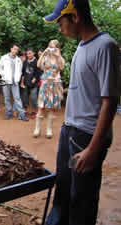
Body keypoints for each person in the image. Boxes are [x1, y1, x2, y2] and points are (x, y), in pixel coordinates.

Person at [43, 1, 120, 225]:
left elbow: (110, 100)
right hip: (70, 131)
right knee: (63, 193)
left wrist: (93, 150)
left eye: (60, 22)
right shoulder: (82, 46)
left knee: (82, 200)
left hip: (87, 136)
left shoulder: (106, 46)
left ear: (75, 17)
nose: (59, 28)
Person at [34, 40, 65, 138]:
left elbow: (62, 67)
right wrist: (44, 53)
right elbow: (38, 65)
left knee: (51, 108)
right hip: (45, 83)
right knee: (41, 106)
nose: (52, 48)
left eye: (54, 47)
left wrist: (58, 55)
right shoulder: (45, 57)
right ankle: (37, 129)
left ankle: (49, 130)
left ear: (57, 48)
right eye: (50, 46)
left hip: (54, 84)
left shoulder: (59, 58)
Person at [0, 43, 29, 121]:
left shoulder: (18, 60)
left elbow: (20, 71)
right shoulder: (4, 58)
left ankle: (22, 114)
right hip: (6, 81)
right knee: (7, 98)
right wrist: (4, 75)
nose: (16, 51)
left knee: (17, 98)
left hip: (15, 82)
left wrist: (17, 79)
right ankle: (9, 113)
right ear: (11, 49)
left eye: (17, 49)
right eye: (14, 49)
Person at [20, 48, 41, 119]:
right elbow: (23, 73)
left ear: (33, 53)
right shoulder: (25, 62)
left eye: (30, 53)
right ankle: (25, 110)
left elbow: (38, 73)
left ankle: (34, 111)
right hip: (26, 83)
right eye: (27, 54)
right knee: (25, 98)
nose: (28, 55)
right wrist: (22, 82)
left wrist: (35, 78)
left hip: (34, 84)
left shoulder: (37, 62)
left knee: (33, 98)